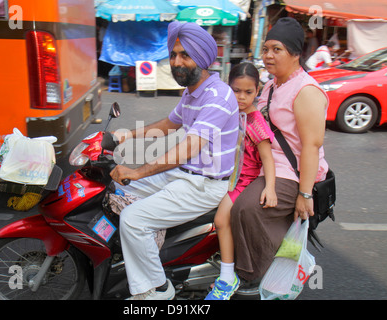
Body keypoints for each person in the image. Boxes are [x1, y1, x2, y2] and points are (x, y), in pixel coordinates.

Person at [110, 21, 239, 300]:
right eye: (173, 54)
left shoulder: (218, 96)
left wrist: (137, 172)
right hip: (183, 175)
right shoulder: (191, 92)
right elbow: (169, 124)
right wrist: (124, 137)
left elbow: (189, 147)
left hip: (202, 186)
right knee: (117, 191)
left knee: (133, 219)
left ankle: (157, 289)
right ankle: (134, 256)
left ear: (203, 58)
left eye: (185, 55)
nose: (176, 62)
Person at [230, 17, 329, 290]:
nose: (268, 55)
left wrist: (304, 194)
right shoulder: (273, 85)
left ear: (296, 53)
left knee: (247, 208)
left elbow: (311, 146)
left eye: (277, 49)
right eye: (266, 49)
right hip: (265, 163)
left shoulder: (306, 91)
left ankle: (254, 273)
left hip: (292, 173)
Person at [205, 63, 277, 300]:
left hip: (242, 182)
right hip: (224, 175)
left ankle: (227, 277)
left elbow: (267, 158)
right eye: (236, 91)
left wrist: (270, 188)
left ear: (258, 91)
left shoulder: (255, 122)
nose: (242, 97)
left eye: (248, 92)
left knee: (220, 219)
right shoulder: (231, 114)